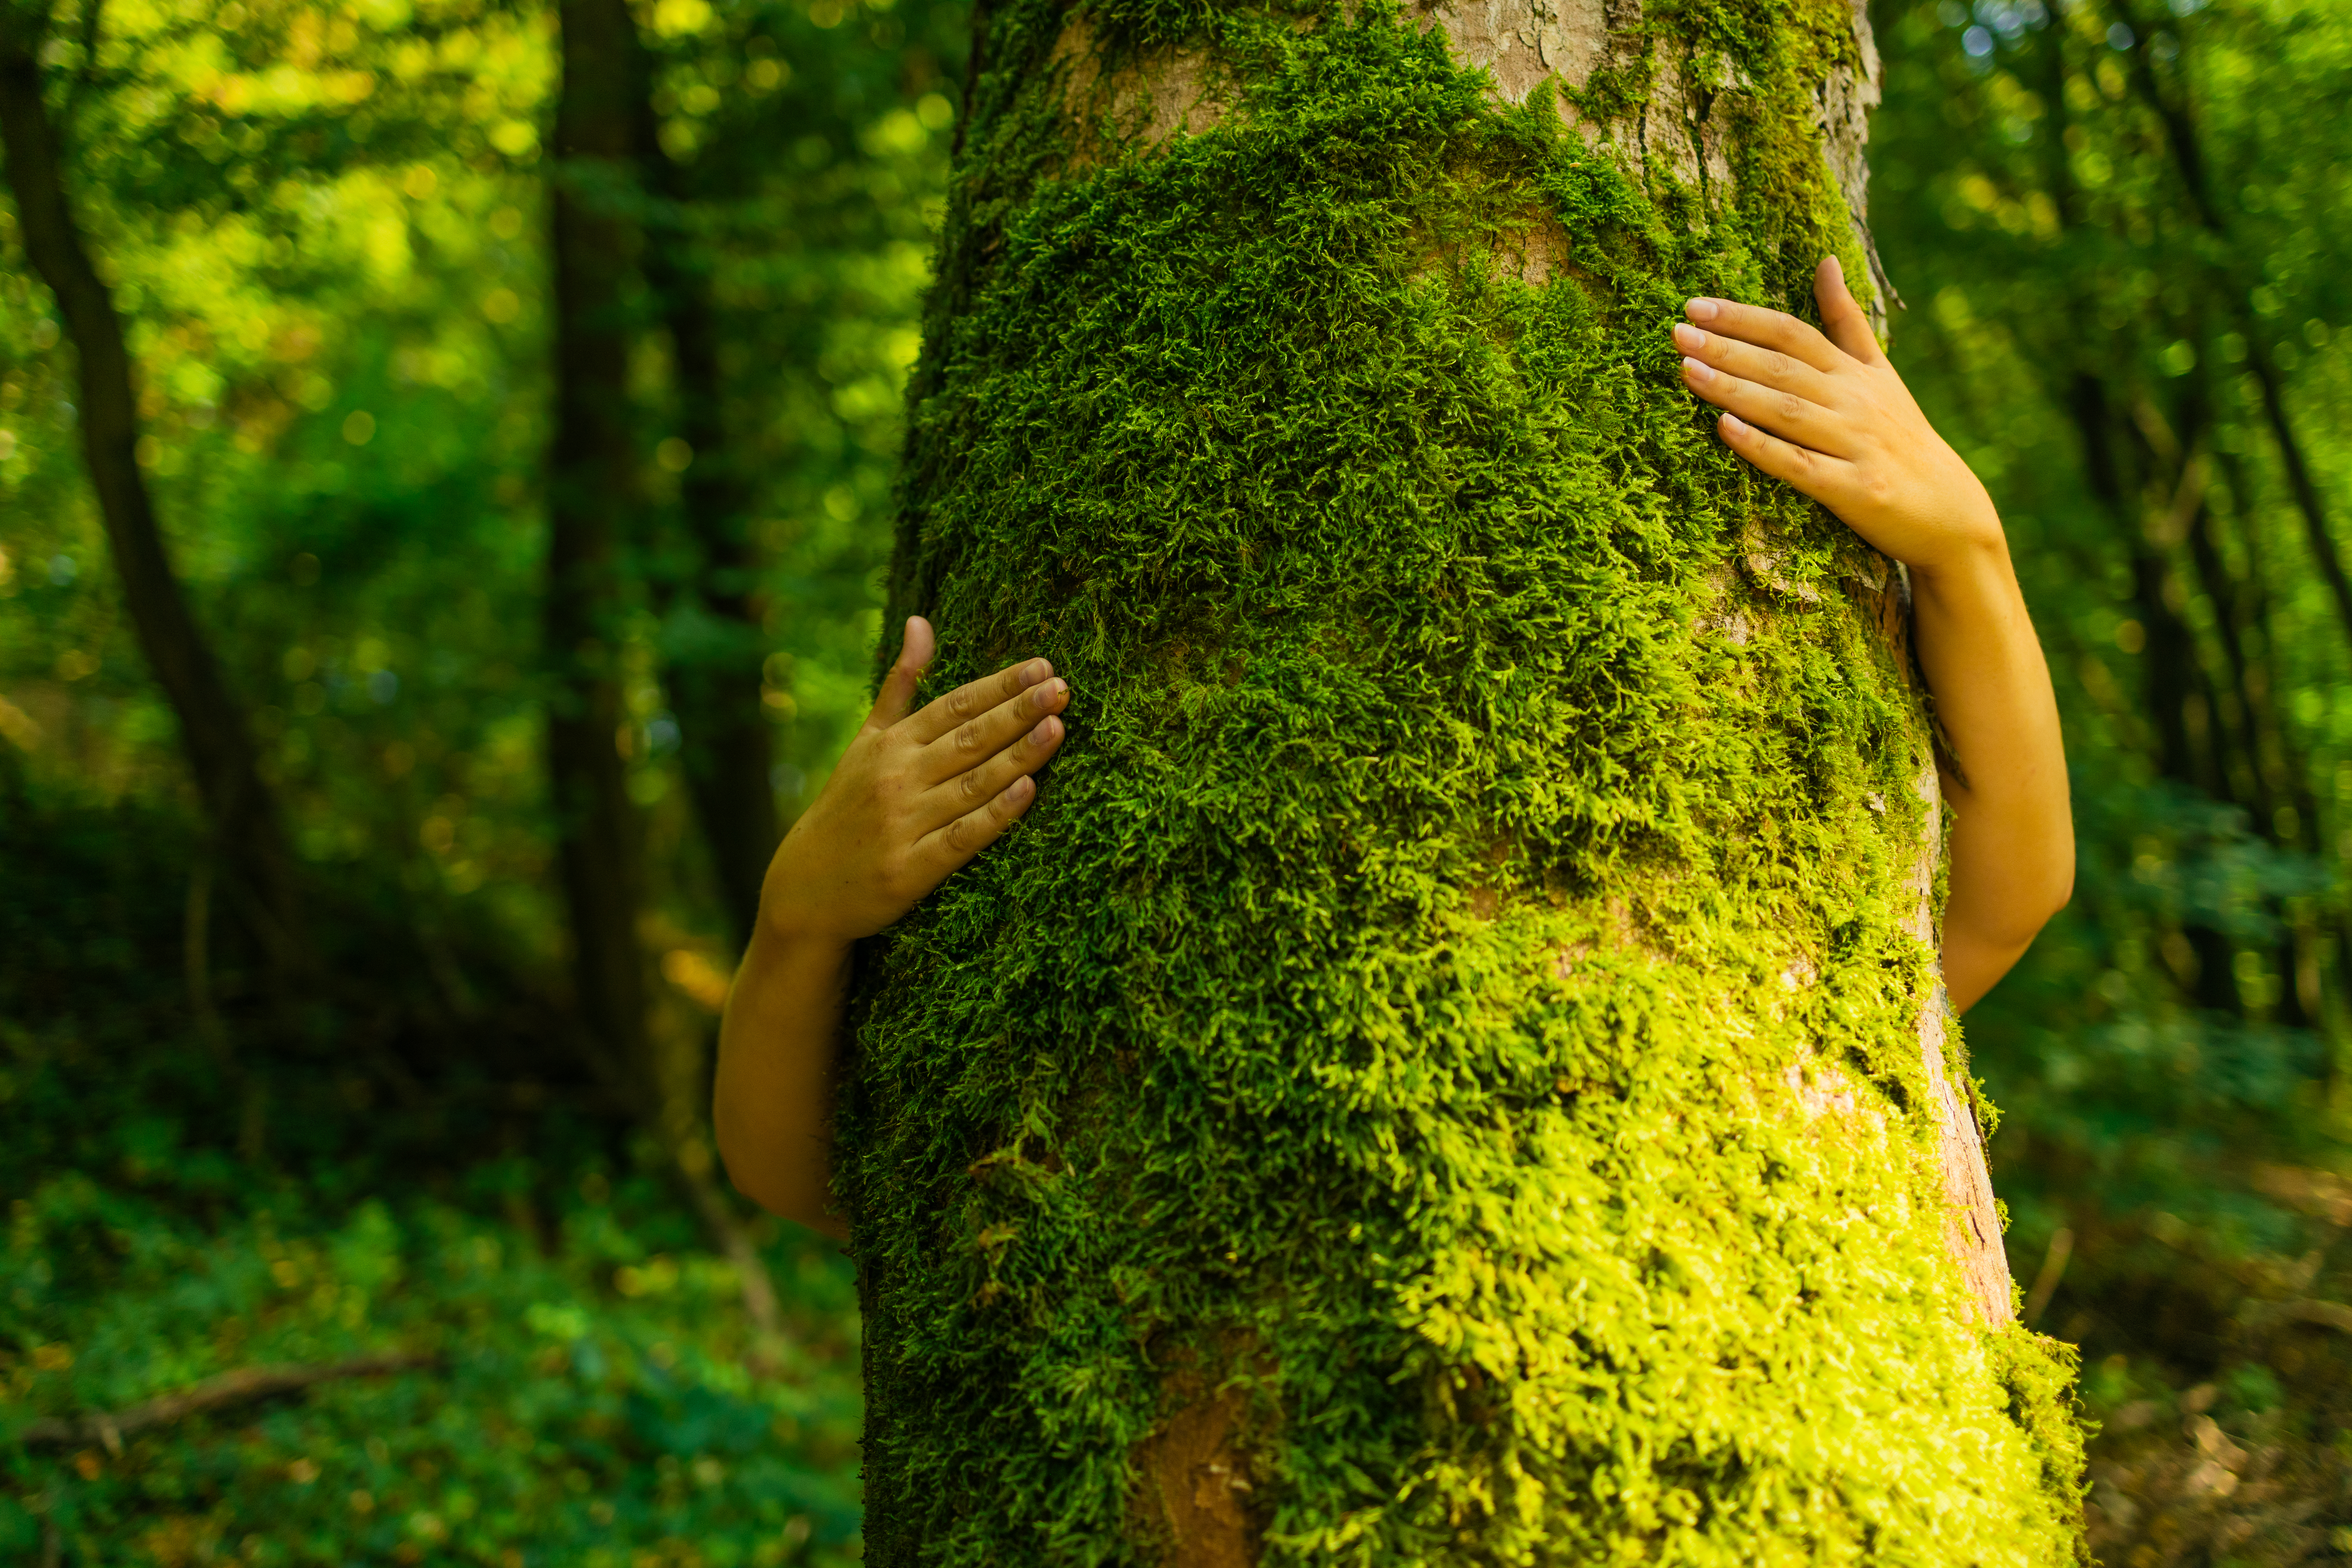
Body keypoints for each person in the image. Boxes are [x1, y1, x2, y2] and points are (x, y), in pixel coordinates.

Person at [713, 255, 2073, 1240]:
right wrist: (802, 919)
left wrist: (1966, 545)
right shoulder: (1127, 1064)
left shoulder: (1728, 1027)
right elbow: (817, 1175)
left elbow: (2004, 900)